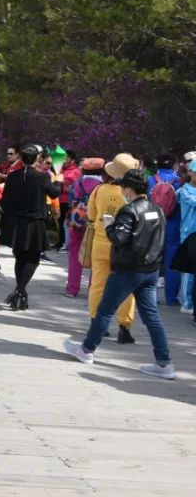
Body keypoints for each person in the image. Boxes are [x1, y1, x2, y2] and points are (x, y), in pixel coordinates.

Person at [63, 169, 176, 379]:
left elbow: (119, 238)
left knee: (105, 310)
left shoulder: (129, 210)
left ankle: (86, 350)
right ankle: (164, 362)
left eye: (123, 186)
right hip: (150, 270)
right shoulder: (156, 210)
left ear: (129, 188)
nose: (122, 190)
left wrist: (109, 225)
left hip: (128, 270)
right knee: (152, 317)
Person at [0, 145, 62, 310]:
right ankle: (20, 290)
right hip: (33, 221)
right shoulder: (41, 177)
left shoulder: (12, 176)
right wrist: (59, 181)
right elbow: (54, 193)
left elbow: (4, 200)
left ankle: (20, 292)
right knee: (32, 258)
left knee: (20, 257)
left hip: (16, 221)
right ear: (37, 159)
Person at [87, 154, 139, 342]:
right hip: (125, 246)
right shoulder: (133, 194)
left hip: (101, 242)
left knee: (98, 284)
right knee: (127, 287)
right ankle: (124, 327)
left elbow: (91, 215)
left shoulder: (99, 189)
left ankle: (96, 320)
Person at [64, 158, 104, 298]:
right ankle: (92, 289)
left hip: (77, 222)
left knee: (74, 255)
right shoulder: (102, 185)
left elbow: (71, 199)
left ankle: (72, 288)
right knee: (95, 257)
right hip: (93, 224)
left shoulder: (78, 183)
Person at [149, 154, 182, 306]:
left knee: (152, 260)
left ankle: (150, 296)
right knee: (172, 262)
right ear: (174, 164)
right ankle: (171, 298)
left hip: (153, 221)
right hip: (173, 223)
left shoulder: (150, 180)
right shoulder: (179, 182)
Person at [176, 157, 196, 318]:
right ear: (190, 173)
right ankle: (187, 302)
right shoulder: (184, 191)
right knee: (189, 271)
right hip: (189, 233)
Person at [57, 151, 81, 252]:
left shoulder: (76, 171)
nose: (64, 160)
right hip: (59, 199)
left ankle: (66, 244)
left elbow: (75, 188)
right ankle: (61, 241)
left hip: (68, 200)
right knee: (60, 220)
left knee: (66, 222)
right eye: (63, 158)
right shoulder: (60, 169)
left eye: (66, 158)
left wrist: (63, 184)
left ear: (72, 160)